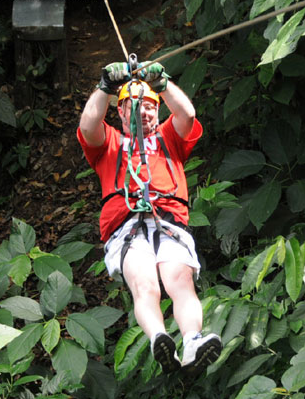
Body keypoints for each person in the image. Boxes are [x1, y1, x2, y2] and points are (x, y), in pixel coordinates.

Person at [76, 60, 222, 375]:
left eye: (149, 106)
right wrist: (105, 87)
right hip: (127, 229)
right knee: (144, 285)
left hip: (168, 223)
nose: (143, 111)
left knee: (180, 281)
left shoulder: (169, 138)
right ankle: (158, 336)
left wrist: (163, 84)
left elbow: (187, 115)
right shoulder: (110, 144)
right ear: (121, 112)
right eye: (134, 106)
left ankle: (192, 340)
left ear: (157, 111)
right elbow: (88, 125)